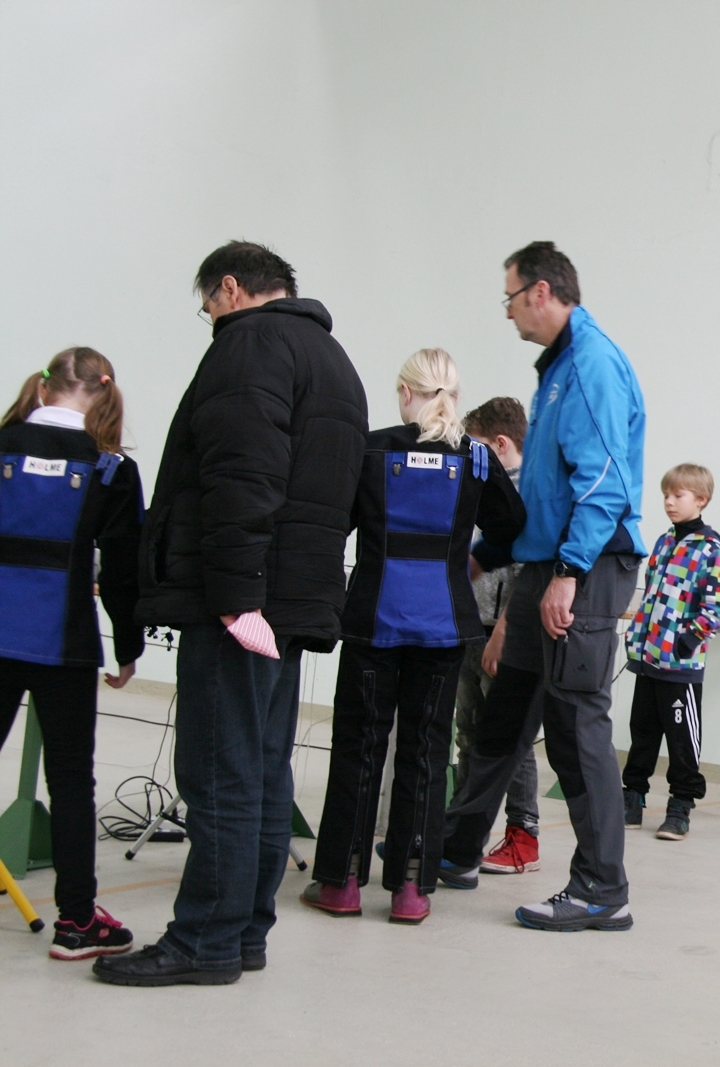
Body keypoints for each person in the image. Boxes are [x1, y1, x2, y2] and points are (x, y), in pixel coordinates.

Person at [95, 242, 368, 986]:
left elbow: (243, 476)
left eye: (207, 306)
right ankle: (245, 931)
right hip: (292, 599)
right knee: (263, 770)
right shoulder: (333, 360)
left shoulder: (249, 345)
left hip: (241, 601)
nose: (210, 319)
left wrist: (237, 595)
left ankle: (204, 940)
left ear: (229, 288)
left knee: (219, 770)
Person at [438, 241, 646, 933]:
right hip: (546, 563)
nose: (506, 313)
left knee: (575, 726)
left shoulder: (590, 364)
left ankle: (601, 889)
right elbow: (546, 494)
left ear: (541, 292)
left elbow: (604, 482)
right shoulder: (555, 369)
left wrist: (569, 573)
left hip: (587, 565)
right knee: (503, 717)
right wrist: (484, 556)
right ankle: (457, 849)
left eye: (509, 298)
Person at [300, 350, 524, 925]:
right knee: (426, 753)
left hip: (374, 618)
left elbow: (333, 521)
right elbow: (515, 527)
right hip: (442, 624)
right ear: (453, 395)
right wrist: (470, 557)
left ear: (405, 392)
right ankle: (410, 888)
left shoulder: (371, 450)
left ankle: (342, 883)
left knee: (358, 747)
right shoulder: (475, 458)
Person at [0, 348, 143, 961]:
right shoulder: (111, 468)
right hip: (66, 642)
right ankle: (77, 922)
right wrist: (129, 647)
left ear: (45, 386)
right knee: (70, 784)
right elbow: (123, 571)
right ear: (102, 393)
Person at [448, 396, 543, 876]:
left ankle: (523, 835)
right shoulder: (482, 489)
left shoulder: (529, 494)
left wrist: (503, 631)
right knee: (469, 733)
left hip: (504, 634)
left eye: (477, 446)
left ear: (501, 444)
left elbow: (526, 572)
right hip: (471, 627)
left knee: (509, 740)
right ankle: (458, 833)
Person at [621, 463, 720, 841]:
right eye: (665, 495)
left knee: (682, 738)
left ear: (701, 500)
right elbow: (651, 596)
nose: (669, 502)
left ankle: (681, 804)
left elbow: (715, 610)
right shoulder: (664, 542)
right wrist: (637, 635)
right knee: (642, 732)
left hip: (679, 664)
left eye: (678, 495)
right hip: (648, 658)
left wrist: (686, 641)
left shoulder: (710, 549)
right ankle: (632, 798)